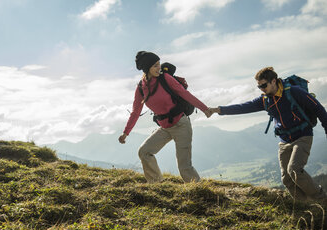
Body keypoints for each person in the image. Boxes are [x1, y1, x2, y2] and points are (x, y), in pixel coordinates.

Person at [210, 67, 327, 202]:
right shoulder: (265, 100)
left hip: (302, 136)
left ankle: (322, 199)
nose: (262, 89)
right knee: (286, 178)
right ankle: (304, 205)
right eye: (259, 87)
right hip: (284, 140)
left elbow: (318, 108)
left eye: (264, 85)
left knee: (294, 170)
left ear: (273, 81)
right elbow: (243, 107)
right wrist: (218, 110)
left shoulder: (294, 92)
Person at [118, 51, 211, 183]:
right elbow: (135, 112)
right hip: (165, 127)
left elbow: (185, 94)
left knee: (184, 167)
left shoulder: (165, 78)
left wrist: (205, 109)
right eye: (155, 65)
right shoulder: (141, 88)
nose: (159, 68)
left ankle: (200, 192)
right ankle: (157, 184)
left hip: (181, 124)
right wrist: (125, 133)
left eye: (159, 64)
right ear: (147, 68)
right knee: (144, 152)